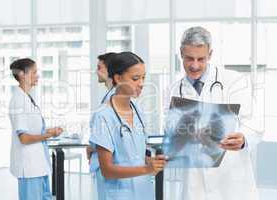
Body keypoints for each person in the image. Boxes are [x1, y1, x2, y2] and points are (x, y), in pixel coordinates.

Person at [165, 27, 260, 200]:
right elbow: (170, 129)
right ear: (181, 53)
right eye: (189, 58)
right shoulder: (173, 90)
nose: (194, 65)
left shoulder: (234, 81)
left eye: (201, 59)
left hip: (231, 177)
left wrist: (243, 138)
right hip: (195, 180)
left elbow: (254, 121)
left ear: (210, 54)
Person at [89, 52, 167, 200]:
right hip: (118, 194)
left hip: (143, 190)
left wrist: (150, 162)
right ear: (118, 78)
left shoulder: (138, 110)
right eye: (135, 78)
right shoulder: (103, 116)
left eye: (143, 77)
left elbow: (135, 155)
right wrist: (146, 169)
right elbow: (107, 170)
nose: (141, 83)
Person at [9, 58, 63, 200]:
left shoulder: (27, 98)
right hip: (29, 167)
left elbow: (33, 131)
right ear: (22, 74)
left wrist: (49, 131)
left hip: (38, 165)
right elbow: (24, 138)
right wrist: (47, 135)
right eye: (34, 72)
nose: (37, 75)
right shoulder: (18, 101)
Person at [87, 52, 117, 171]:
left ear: (110, 70)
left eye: (99, 68)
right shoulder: (109, 95)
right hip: (102, 162)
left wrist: (92, 147)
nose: (96, 71)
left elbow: (114, 136)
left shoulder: (115, 97)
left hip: (109, 164)